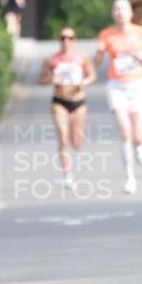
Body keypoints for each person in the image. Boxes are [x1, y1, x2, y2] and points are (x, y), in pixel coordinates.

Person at [95, 0, 142, 194]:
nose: (120, 12)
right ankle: (130, 178)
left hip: (137, 85)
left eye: (123, 9)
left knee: (138, 137)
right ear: (112, 13)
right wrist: (99, 52)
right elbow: (97, 61)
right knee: (125, 133)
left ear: (131, 13)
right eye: (116, 9)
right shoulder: (106, 35)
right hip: (116, 86)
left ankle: (140, 147)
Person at [38, 28, 96, 189]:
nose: (66, 41)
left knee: (76, 144)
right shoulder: (51, 60)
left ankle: (75, 145)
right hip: (59, 102)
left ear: (74, 40)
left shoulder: (82, 57)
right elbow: (41, 79)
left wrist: (84, 83)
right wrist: (50, 80)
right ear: (59, 39)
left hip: (78, 102)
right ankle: (68, 175)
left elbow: (92, 75)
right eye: (63, 37)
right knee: (63, 138)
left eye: (70, 38)